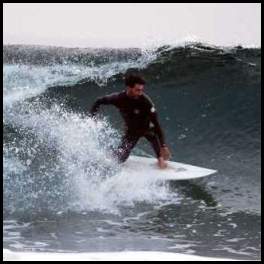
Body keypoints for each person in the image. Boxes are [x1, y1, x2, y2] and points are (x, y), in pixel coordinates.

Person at [90, 74, 171, 169]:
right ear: (129, 88)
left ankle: (160, 159)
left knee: (157, 145)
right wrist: (92, 117)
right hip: (132, 132)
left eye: (142, 90)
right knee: (120, 159)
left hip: (148, 129)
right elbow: (98, 101)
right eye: (137, 90)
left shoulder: (146, 102)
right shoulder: (118, 98)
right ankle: (108, 155)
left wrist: (163, 145)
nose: (140, 93)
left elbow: (157, 125)